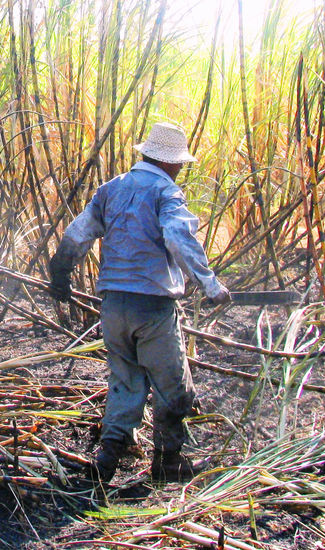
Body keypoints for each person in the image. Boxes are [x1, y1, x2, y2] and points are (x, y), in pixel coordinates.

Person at [49, 122, 230, 483]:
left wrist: (61, 272)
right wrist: (210, 286)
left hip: (113, 307)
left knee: (125, 382)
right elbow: (179, 237)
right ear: (170, 162)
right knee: (173, 386)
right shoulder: (166, 191)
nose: (181, 168)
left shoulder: (111, 189)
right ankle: (167, 462)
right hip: (152, 309)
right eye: (179, 163)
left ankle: (106, 462)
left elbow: (77, 233)